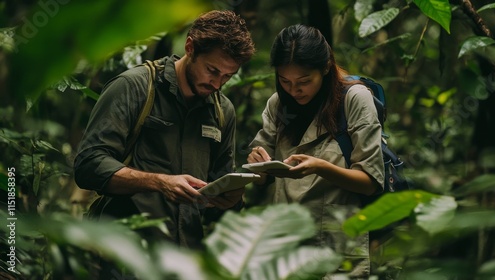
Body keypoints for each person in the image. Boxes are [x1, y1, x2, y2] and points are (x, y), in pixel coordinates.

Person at [74, 9, 255, 252]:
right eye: (212, 70)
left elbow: (218, 206)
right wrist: (159, 182)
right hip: (122, 253)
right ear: (190, 47)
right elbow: (88, 166)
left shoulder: (223, 111)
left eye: (228, 76)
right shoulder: (134, 87)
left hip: (185, 259)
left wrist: (230, 202)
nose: (217, 83)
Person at [246, 24, 384, 278]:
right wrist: (258, 163)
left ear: (326, 68)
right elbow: (260, 170)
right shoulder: (278, 104)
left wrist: (321, 168)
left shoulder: (353, 99)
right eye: (284, 81)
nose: (294, 90)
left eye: (304, 81)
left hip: (335, 245)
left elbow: (370, 182)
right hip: (284, 245)